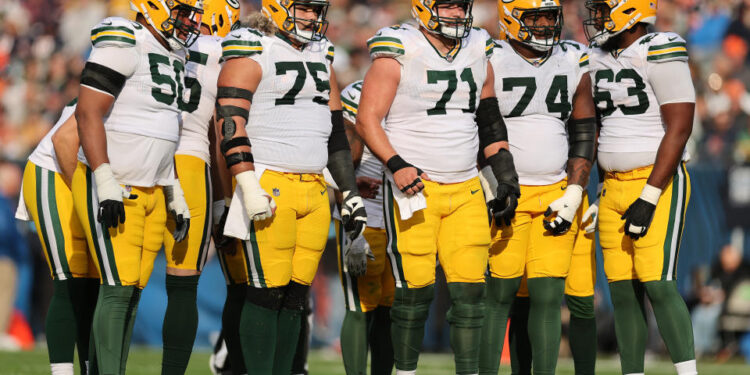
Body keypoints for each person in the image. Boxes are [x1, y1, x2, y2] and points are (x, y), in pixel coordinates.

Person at [356, 1, 520, 373]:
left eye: (461, 7)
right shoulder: (400, 47)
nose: (457, 14)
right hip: (416, 188)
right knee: (414, 292)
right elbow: (367, 119)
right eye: (447, 6)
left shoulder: (479, 46)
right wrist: (396, 165)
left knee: (470, 294)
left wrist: (506, 175)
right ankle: (406, 371)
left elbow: (490, 120)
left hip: (465, 187)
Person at [214, 0, 366, 372]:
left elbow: (335, 135)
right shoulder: (252, 46)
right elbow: (229, 121)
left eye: (317, 10)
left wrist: (349, 192)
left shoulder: (322, 53)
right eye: (305, 8)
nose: (312, 17)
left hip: (314, 187)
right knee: (265, 293)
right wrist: (247, 185)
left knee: (296, 296)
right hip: (269, 181)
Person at [70, 1, 202, 372]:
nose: (190, 20)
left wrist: (173, 189)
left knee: (131, 293)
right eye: (184, 10)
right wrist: (104, 177)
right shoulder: (126, 38)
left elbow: (165, 130)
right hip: (118, 184)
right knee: (116, 289)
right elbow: (87, 111)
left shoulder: (175, 53)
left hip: (154, 188)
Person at [477, 1, 598, 374]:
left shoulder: (572, 57)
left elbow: (583, 130)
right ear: (512, 18)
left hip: (555, 191)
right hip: (506, 191)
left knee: (548, 295)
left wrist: (575, 191)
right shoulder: (488, 56)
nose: (546, 25)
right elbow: (478, 125)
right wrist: (489, 184)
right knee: (501, 295)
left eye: (550, 16)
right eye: (536, 17)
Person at [584, 0, 697, 374]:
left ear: (628, 11)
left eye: (602, 9)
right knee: (621, 291)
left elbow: (680, 127)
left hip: (656, 180)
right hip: (612, 186)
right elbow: (596, 128)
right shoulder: (595, 57)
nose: (596, 17)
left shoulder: (659, 49)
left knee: (658, 284)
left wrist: (649, 196)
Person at [158, 0, 241, 373]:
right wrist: (224, 201)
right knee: (183, 284)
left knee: (120, 287)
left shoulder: (156, 40)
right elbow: (221, 135)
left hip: (142, 159)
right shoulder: (223, 53)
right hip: (190, 161)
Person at [15, 99, 99, 375]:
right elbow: (64, 140)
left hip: (89, 180)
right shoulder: (119, 82)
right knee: (68, 279)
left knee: (94, 286)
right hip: (55, 171)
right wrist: (87, 199)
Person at [336, 80, 395, 375]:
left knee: (390, 312)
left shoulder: (417, 89)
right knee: (360, 307)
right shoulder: (356, 93)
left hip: (403, 215)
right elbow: (342, 155)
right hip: (366, 212)